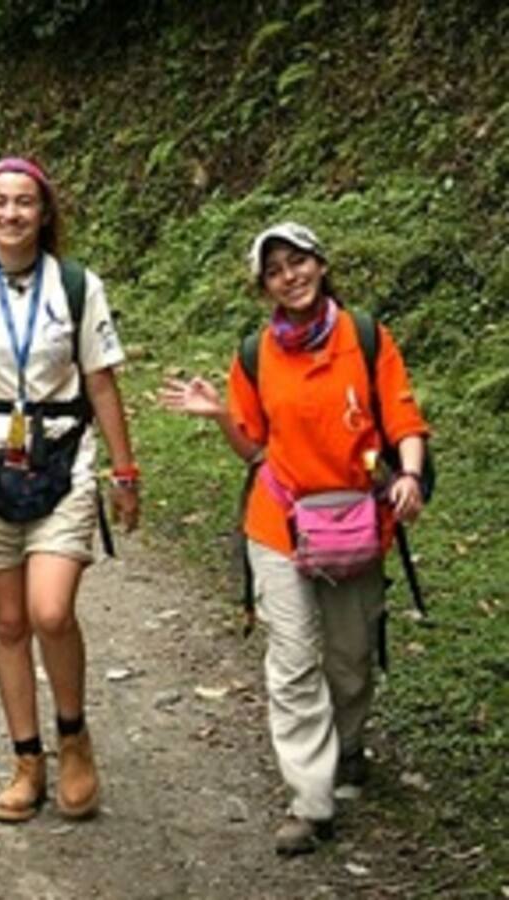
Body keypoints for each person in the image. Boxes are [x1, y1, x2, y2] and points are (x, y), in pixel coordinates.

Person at [159, 222, 429, 856]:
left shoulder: (365, 338)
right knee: (293, 658)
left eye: (298, 261)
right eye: (275, 270)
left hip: (358, 520)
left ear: (321, 264)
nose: (290, 276)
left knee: (351, 653)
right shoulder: (255, 354)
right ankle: (312, 800)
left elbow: (404, 418)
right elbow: (253, 450)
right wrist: (222, 415)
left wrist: (410, 475)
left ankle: (349, 743)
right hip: (279, 523)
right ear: (264, 287)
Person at [0, 157, 141, 824]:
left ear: (45, 213)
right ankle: (27, 759)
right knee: (11, 622)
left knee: (51, 611)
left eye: (24, 203)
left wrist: (125, 473)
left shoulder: (77, 286)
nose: (12, 214)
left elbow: (102, 381)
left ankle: (73, 737)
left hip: (64, 459)